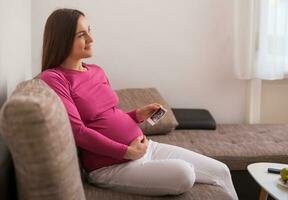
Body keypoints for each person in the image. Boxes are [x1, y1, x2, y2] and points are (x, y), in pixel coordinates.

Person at [39, 8, 238, 199]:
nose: (91, 39)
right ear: (63, 40)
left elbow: (108, 115)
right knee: (185, 174)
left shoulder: (96, 70)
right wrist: (127, 152)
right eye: (82, 35)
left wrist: (136, 115)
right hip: (111, 166)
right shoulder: (54, 78)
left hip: (146, 147)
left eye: (89, 31)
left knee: (220, 170)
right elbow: (78, 131)